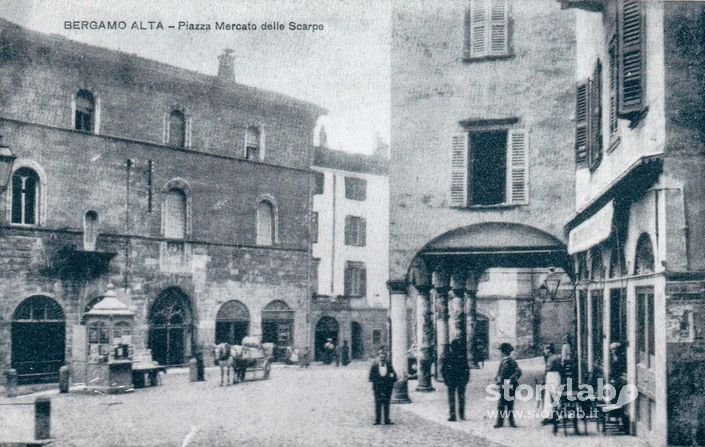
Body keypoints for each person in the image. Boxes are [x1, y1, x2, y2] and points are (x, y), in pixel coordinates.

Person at [441, 340, 470, 421]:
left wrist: (445, 379)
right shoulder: (462, 356)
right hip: (461, 380)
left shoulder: (447, 356)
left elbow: (443, 369)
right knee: (461, 397)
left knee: (451, 398)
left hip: (451, 380)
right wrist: (466, 379)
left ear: (451, 347)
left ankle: (453, 415)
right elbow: (466, 369)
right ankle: (462, 415)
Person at [494, 342, 521, 428]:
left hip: (508, 385)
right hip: (503, 385)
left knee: (507, 404)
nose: (499, 353)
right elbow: (500, 372)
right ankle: (503, 422)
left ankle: (508, 422)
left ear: (504, 352)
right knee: (502, 404)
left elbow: (518, 372)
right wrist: (497, 377)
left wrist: (511, 379)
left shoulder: (511, 361)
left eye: (500, 351)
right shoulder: (503, 361)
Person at [368, 348, 397, 425]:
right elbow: (371, 377)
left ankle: (387, 420)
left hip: (387, 388)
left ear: (386, 357)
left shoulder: (389, 365)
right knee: (378, 404)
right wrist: (378, 382)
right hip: (378, 388)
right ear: (378, 358)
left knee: (386, 404)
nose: (382, 359)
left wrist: (390, 380)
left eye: (384, 357)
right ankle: (377, 420)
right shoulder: (374, 366)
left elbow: (395, 377)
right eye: (381, 357)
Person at [540, 343, 562, 424]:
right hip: (550, 377)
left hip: (554, 377)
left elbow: (559, 368)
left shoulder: (555, 358)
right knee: (548, 397)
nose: (544, 351)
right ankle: (548, 415)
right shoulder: (549, 358)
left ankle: (555, 416)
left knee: (554, 396)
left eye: (545, 350)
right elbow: (546, 370)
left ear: (549, 350)